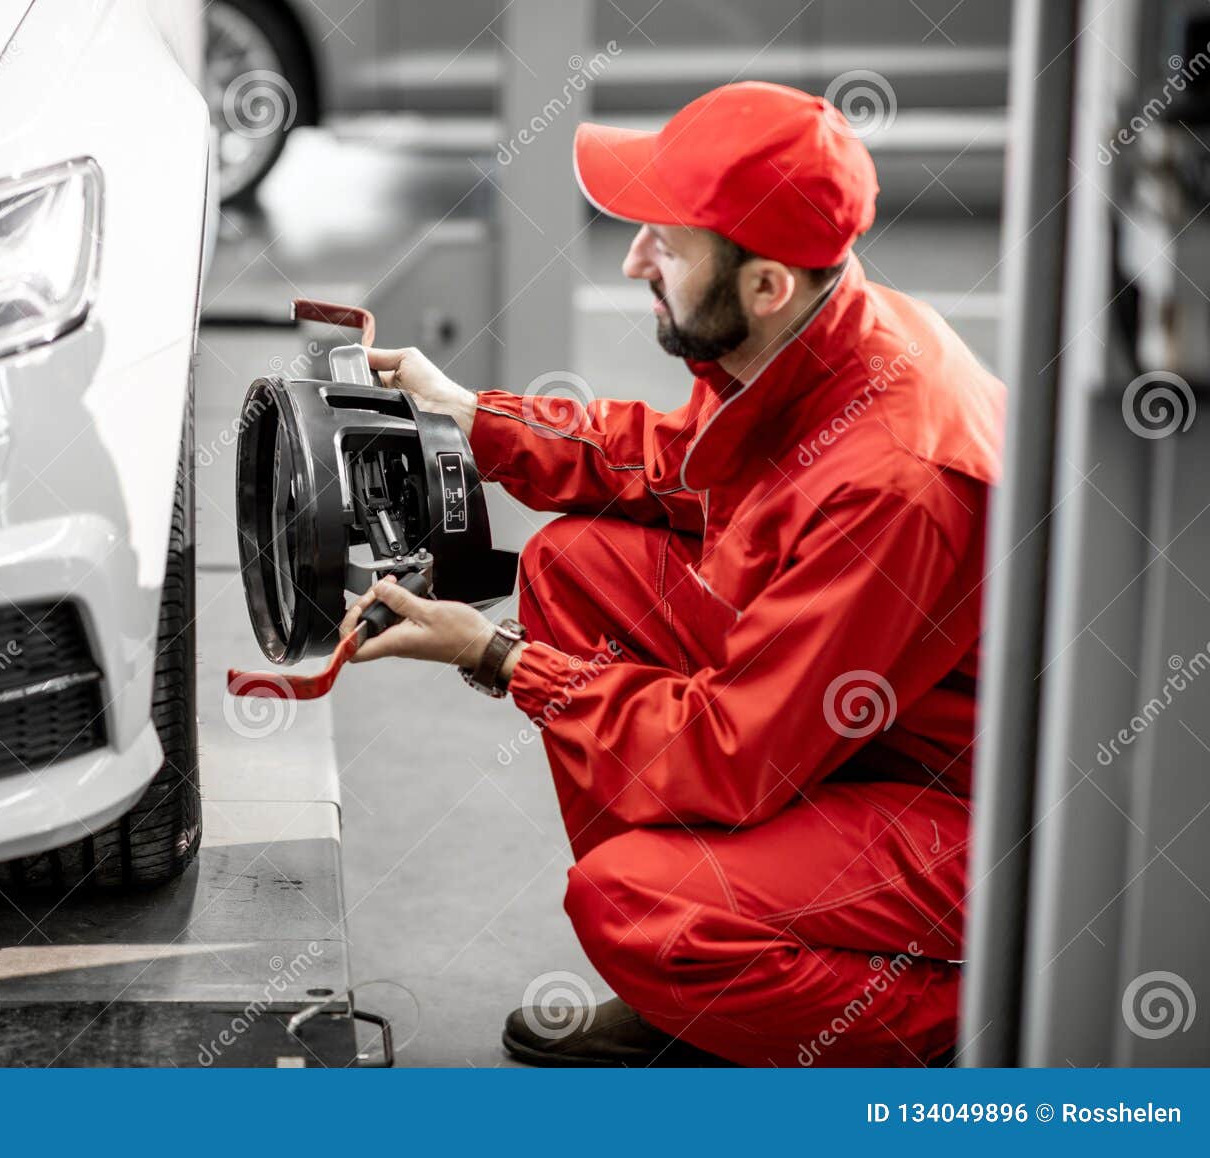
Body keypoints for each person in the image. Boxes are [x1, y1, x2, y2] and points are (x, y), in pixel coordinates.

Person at [339, 81, 1004, 1067]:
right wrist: (473, 419)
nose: (633, 258)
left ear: (764, 284)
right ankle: (701, 982)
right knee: (575, 565)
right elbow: (670, 463)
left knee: (630, 903)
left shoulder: (897, 485)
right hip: (855, 720)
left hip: (964, 818)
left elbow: (736, 754)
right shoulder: (820, 339)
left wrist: (498, 657)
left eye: (667, 241)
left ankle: (969, 1015)